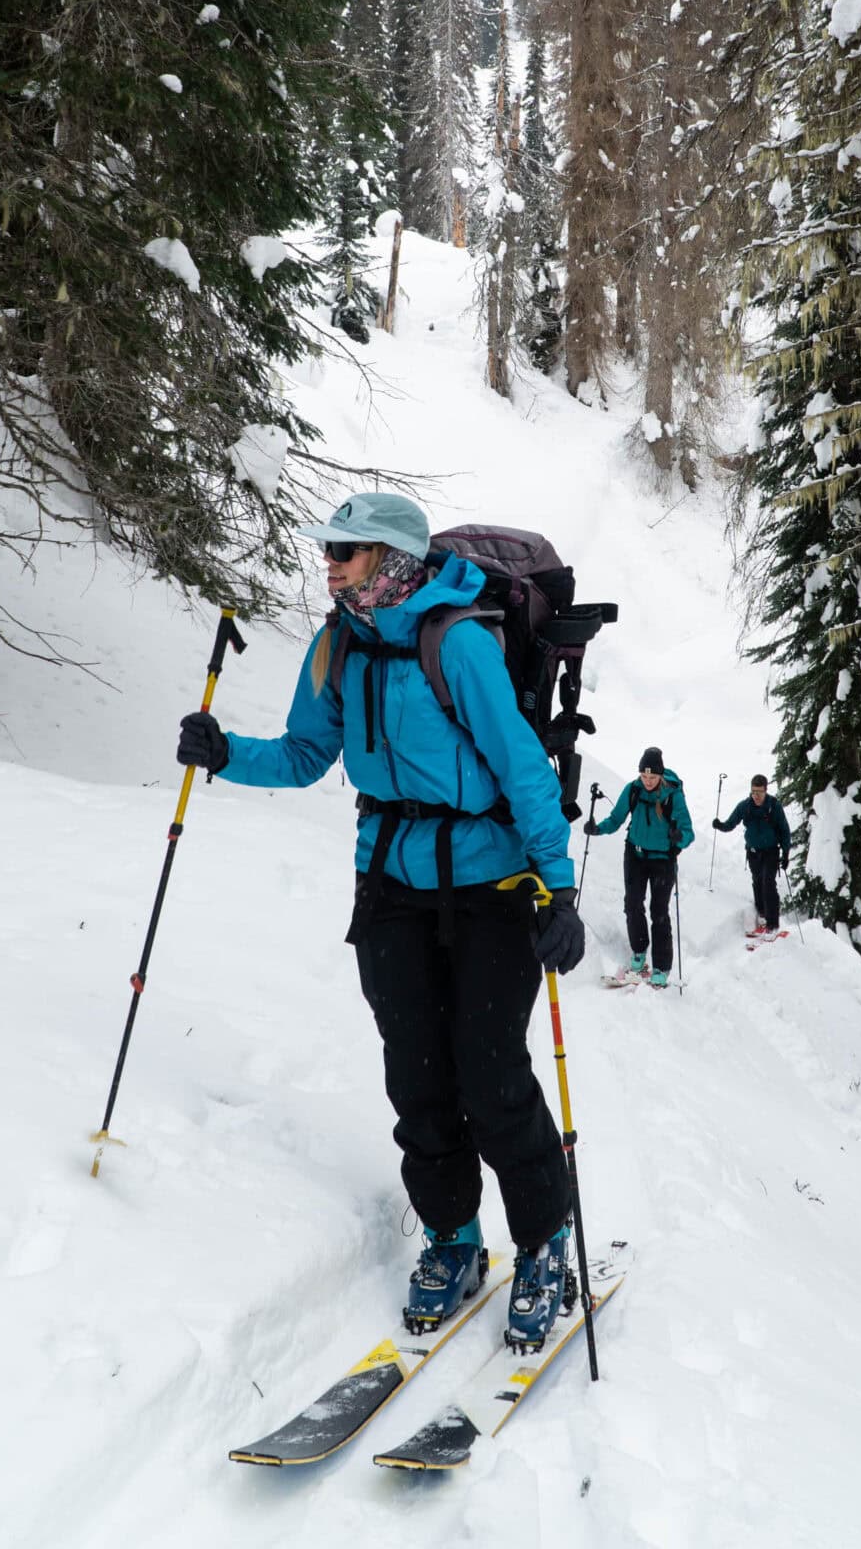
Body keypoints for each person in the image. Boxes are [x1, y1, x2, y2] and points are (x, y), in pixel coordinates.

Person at [175, 492, 585, 1351]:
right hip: (390, 886)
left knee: (491, 1075)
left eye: (349, 551)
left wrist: (558, 889)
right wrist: (226, 755)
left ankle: (545, 1244)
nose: (332, 563)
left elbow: (521, 768)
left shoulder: (457, 642)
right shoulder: (339, 646)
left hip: (491, 886)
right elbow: (303, 755)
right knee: (418, 1076)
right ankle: (453, 1236)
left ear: (393, 557)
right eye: (329, 549)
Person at [584, 747, 694, 987]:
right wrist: (597, 828)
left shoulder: (673, 795)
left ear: (661, 775)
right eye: (644, 777)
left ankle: (661, 967)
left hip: (663, 860)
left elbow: (689, 833)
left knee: (659, 911)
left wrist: (678, 837)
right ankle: (639, 952)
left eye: (652, 777)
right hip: (634, 854)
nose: (647, 782)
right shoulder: (633, 789)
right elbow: (616, 818)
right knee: (632, 904)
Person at [712, 773, 792, 937]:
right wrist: (720, 825)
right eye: (753, 791)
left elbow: (784, 830)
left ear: (765, 790)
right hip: (753, 852)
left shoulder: (773, 806)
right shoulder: (745, 806)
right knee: (757, 882)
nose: (756, 796)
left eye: (759, 792)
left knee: (768, 883)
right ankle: (762, 915)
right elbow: (731, 823)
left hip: (771, 851)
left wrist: (785, 854)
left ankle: (773, 924)